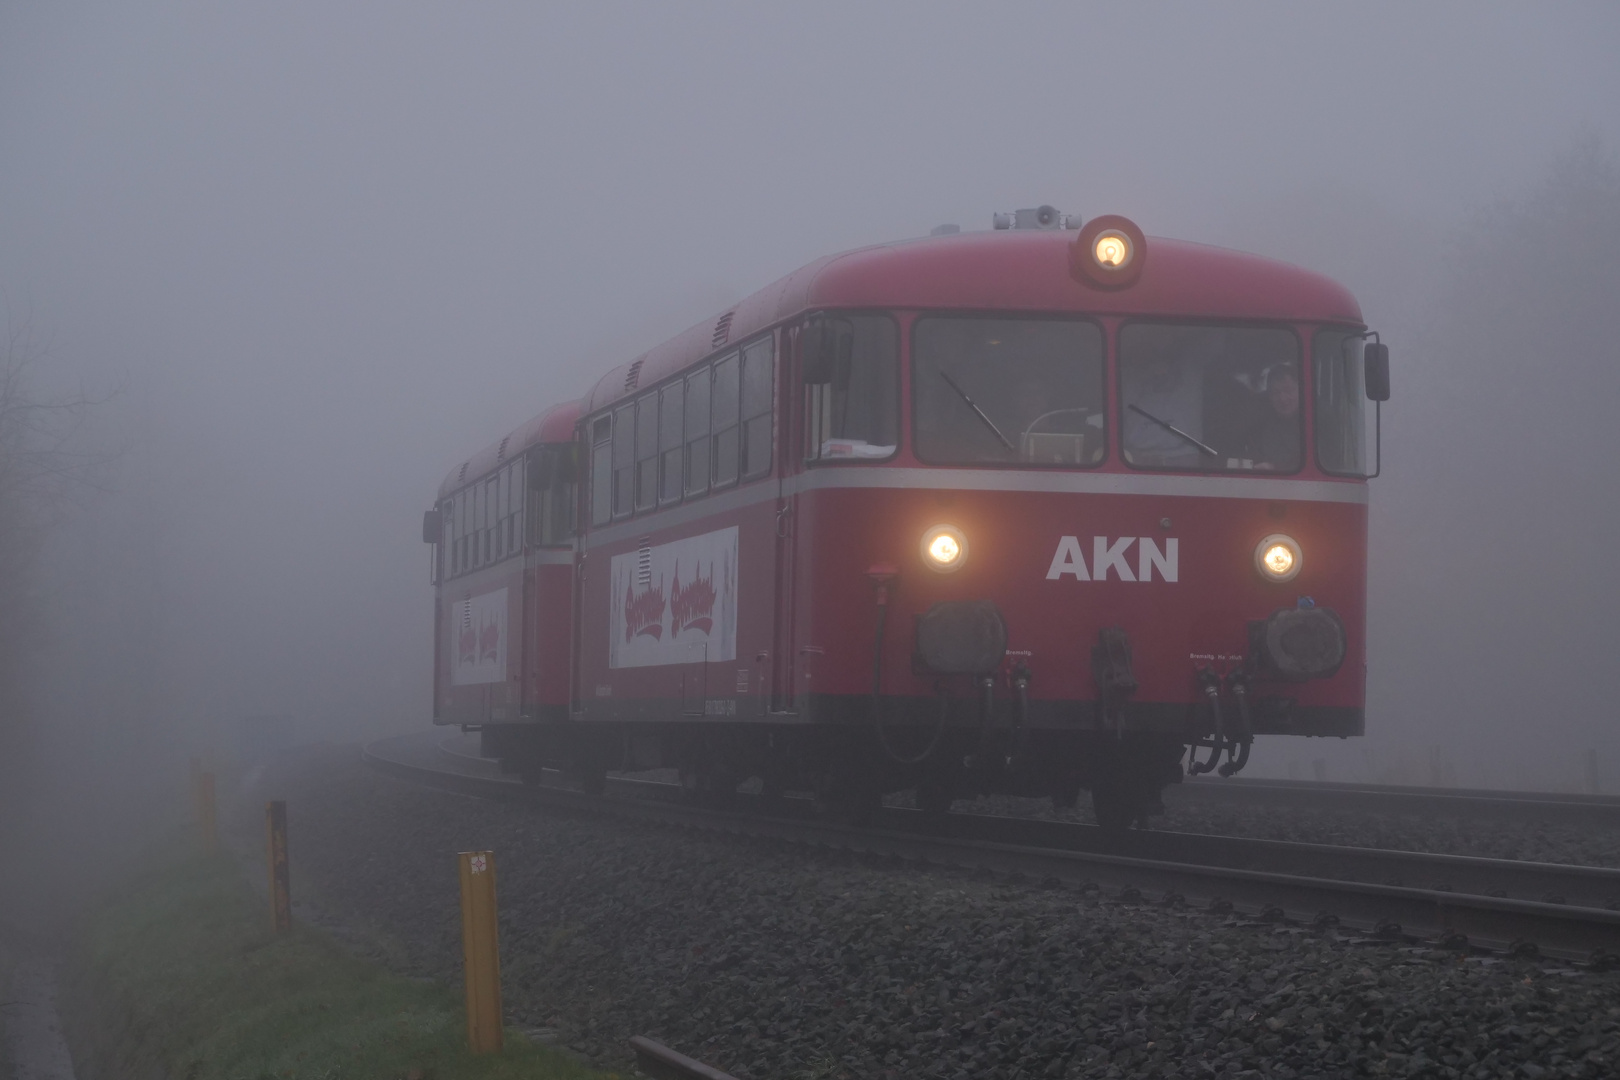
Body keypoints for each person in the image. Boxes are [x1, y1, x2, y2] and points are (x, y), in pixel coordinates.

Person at [1122, 355, 1204, 467]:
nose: (1161, 371)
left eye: (1166, 365)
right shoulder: (1138, 396)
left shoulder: (1189, 388)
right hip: (1140, 465)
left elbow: (1179, 434)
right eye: (1155, 365)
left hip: (1183, 465)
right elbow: (1132, 438)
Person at [1246, 365, 1302, 470]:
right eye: (1276, 393)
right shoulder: (1259, 425)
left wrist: (1275, 467)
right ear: (1269, 396)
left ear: (1301, 390)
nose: (1283, 399)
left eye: (1289, 390)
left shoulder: (1320, 422)